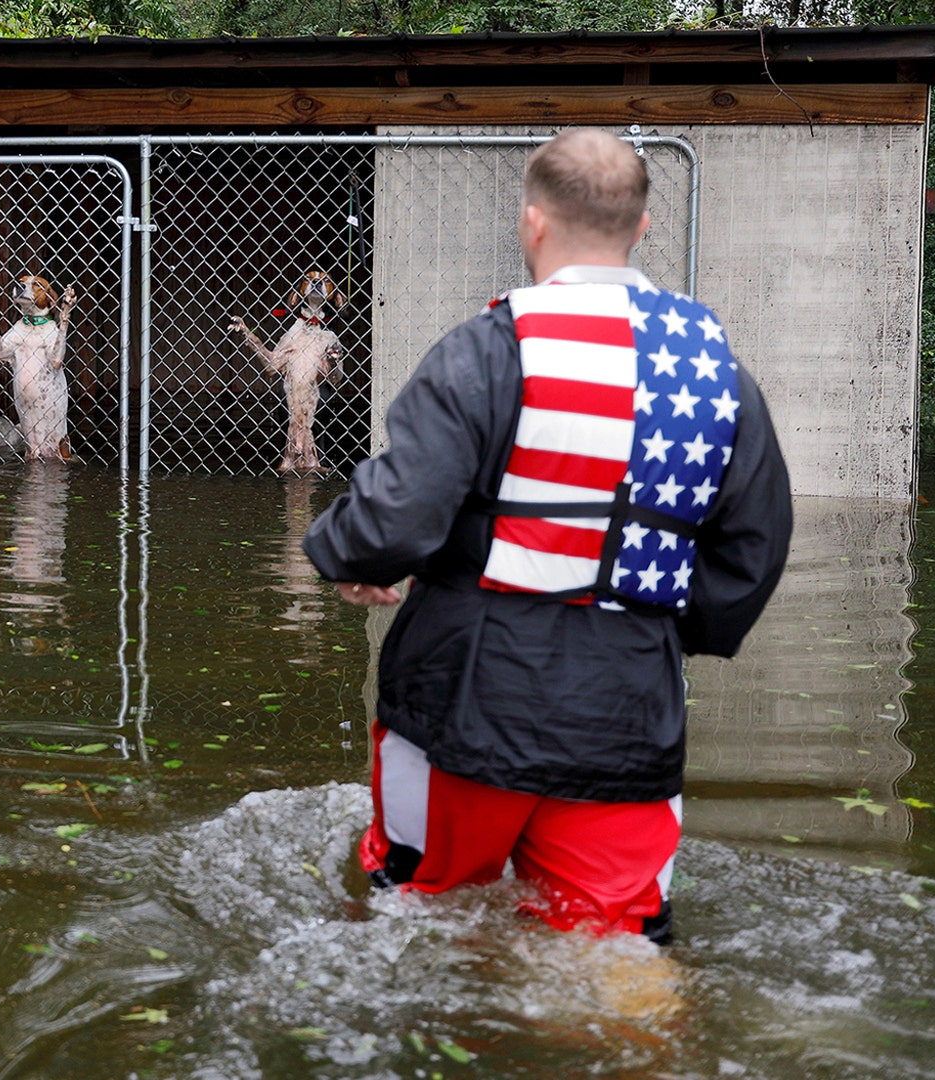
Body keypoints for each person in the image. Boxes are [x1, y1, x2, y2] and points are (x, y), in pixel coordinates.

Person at [302, 128, 792, 944]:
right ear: (641, 228)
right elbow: (755, 547)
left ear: (532, 222)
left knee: (417, 915)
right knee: (617, 950)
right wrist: (659, 630)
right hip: (629, 704)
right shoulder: (716, 371)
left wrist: (352, 556)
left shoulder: (488, 350)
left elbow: (397, 516)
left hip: (467, 695)